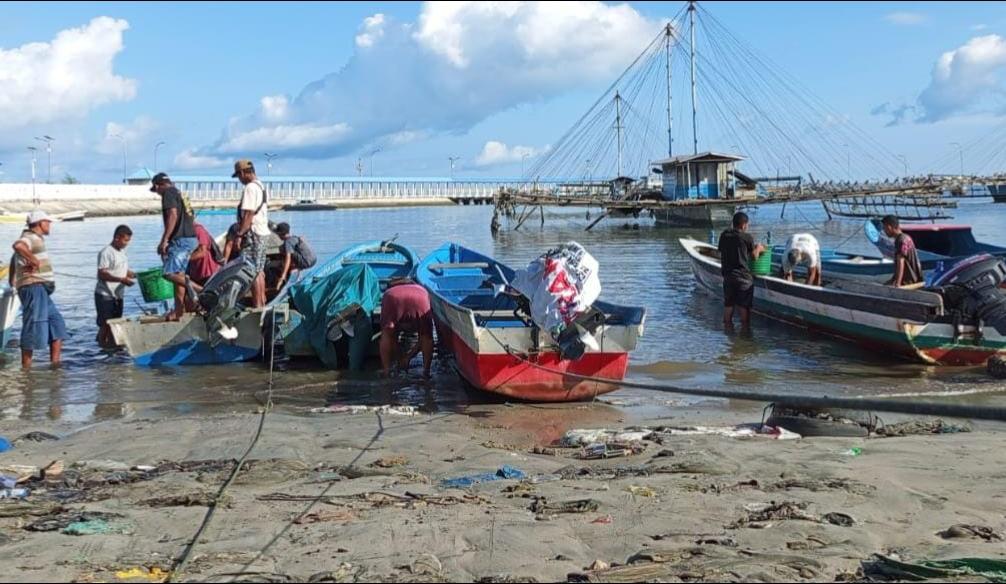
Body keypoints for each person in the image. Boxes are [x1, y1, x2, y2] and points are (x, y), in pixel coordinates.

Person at [12, 210, 65, 368]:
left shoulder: (35, 239)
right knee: (32, 326)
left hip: (41, 289)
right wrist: (33, 259)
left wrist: (12, 279)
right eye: (47, 222)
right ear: (39, 223)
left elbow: (13, 256)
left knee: (58, 325)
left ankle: (55, 366)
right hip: (34, 287)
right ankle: (26, 370)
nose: (49, 225)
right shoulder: (29, 238)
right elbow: (17, 246)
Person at [151, 172, 198, 320]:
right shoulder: (180, 193)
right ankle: (179, 313)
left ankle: (201, 290)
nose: (157, 193)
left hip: (180, 240)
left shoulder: (168, 193)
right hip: (190, 238)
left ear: (158, 186)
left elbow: (172, 215)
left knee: (168, 273)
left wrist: (164, 240)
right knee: (179, 279)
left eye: (156, 190)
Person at [232, 160, 270, 308]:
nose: (239, 180)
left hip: (253, 234)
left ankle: (257, 305)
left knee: (250, 271)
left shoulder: (249, 188)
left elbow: (248, 214)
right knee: (258, 271)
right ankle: (261, 303)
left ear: (243, 173)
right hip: (262, 233)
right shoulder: (261, 185)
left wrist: (240, 235)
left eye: (239, 176)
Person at [717, 211, 765, 328]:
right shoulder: (747, 237)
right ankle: (745, 336)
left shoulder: (724, 235)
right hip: (743, 277)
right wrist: (759, 248)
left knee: (728, 305)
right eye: (747, 225)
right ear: (743, 225)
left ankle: (728, 333)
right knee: (744, 307)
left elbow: (721, 251)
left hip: (728, 276)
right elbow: (754, 257)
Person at [379, 279, 434, 379]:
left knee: (386, 334)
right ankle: (426, 372)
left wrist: (400, 357)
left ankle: (386, 371)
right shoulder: (421, 289)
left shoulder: (389, 292)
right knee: (427, 336)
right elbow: (423, 338)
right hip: (420, 297)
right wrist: (408, 357)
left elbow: (392, 337)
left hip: (392, 297)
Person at [95, 225, 135, 348]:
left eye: (128, 240)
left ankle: (112, 348)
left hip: (118, 295)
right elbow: (102, 274)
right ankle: (101, 349)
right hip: (105, 295)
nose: (127, 243)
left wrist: (135, 275)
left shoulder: (122, 252)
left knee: (115, 324)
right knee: (106, 325)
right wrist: (121, 280)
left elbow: (122, 270)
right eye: (125, 240)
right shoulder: (106, 252)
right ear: (117, 237)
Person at [882, 215, 923, 287]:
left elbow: (901, 262)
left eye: (884, 228)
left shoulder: (900, 240)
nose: (884, 231)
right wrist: (893, 279)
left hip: (908, 281)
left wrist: (898, 283)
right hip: (915, 279)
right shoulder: (906, 237)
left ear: (889, 227)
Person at [274, 222, 316, 290]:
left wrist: (283, 275)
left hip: (306, 262)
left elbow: (288, 258)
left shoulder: (288, 242)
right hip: (313, 259)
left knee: (283, 249)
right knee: (284, 248)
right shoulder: (295, 237)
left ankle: (295, 270)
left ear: (280, 234)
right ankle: (298, 269)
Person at [187, 222, 222, 287]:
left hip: (207, 272)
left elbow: (202, 252)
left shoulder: (198, 230)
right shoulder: (185, 231)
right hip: (195, 272)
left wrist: (185, 259)